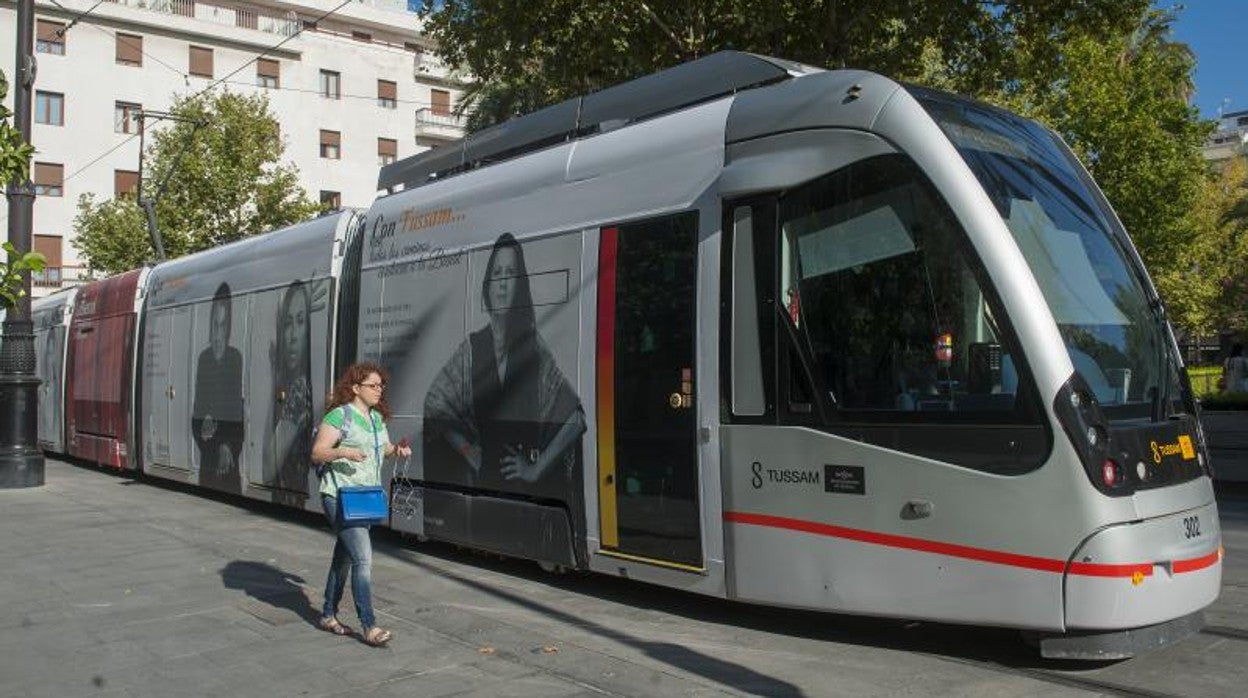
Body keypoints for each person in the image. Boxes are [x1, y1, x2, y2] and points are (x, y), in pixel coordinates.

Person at [423, 233, 584, 500]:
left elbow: (575, 419)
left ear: (519, 286)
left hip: (532, 496)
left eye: (510, 274)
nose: (502, 284)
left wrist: (536, 469)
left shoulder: (532, 346)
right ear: (488, 283)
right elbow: (434, 404)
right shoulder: (472, 348)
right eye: (497, 273)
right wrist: (468, 451)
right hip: (485, 487)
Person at [310, 362, 411, 647]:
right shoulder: (339, 416)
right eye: (373, 385)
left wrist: (397, 451)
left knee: (343, 558)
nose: (379, 390)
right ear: (356, 388)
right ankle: (369, 626)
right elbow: (318, 452)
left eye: (381, 385)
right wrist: (344, 451)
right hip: (339, 496)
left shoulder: (377, 419)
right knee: (363, 559)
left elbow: (384, 450)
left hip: (365, 497)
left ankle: (328, 614)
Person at [193, 283, 244, 492]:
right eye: (215, 324)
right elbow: (198, 412)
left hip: (230, 459)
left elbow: (236, 410)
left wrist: (227, 445)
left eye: (223, 325)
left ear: (229, 327)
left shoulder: (235, 358)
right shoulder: (204, 359)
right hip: (208, 458)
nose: (217, 333)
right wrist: (213, 441)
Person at [270, 280, 313, 491]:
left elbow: (269, 465)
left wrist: (273, 374)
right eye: (288, 324)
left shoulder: (299, 390)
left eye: (300, 321)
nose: (294, 336)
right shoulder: (300, 385)